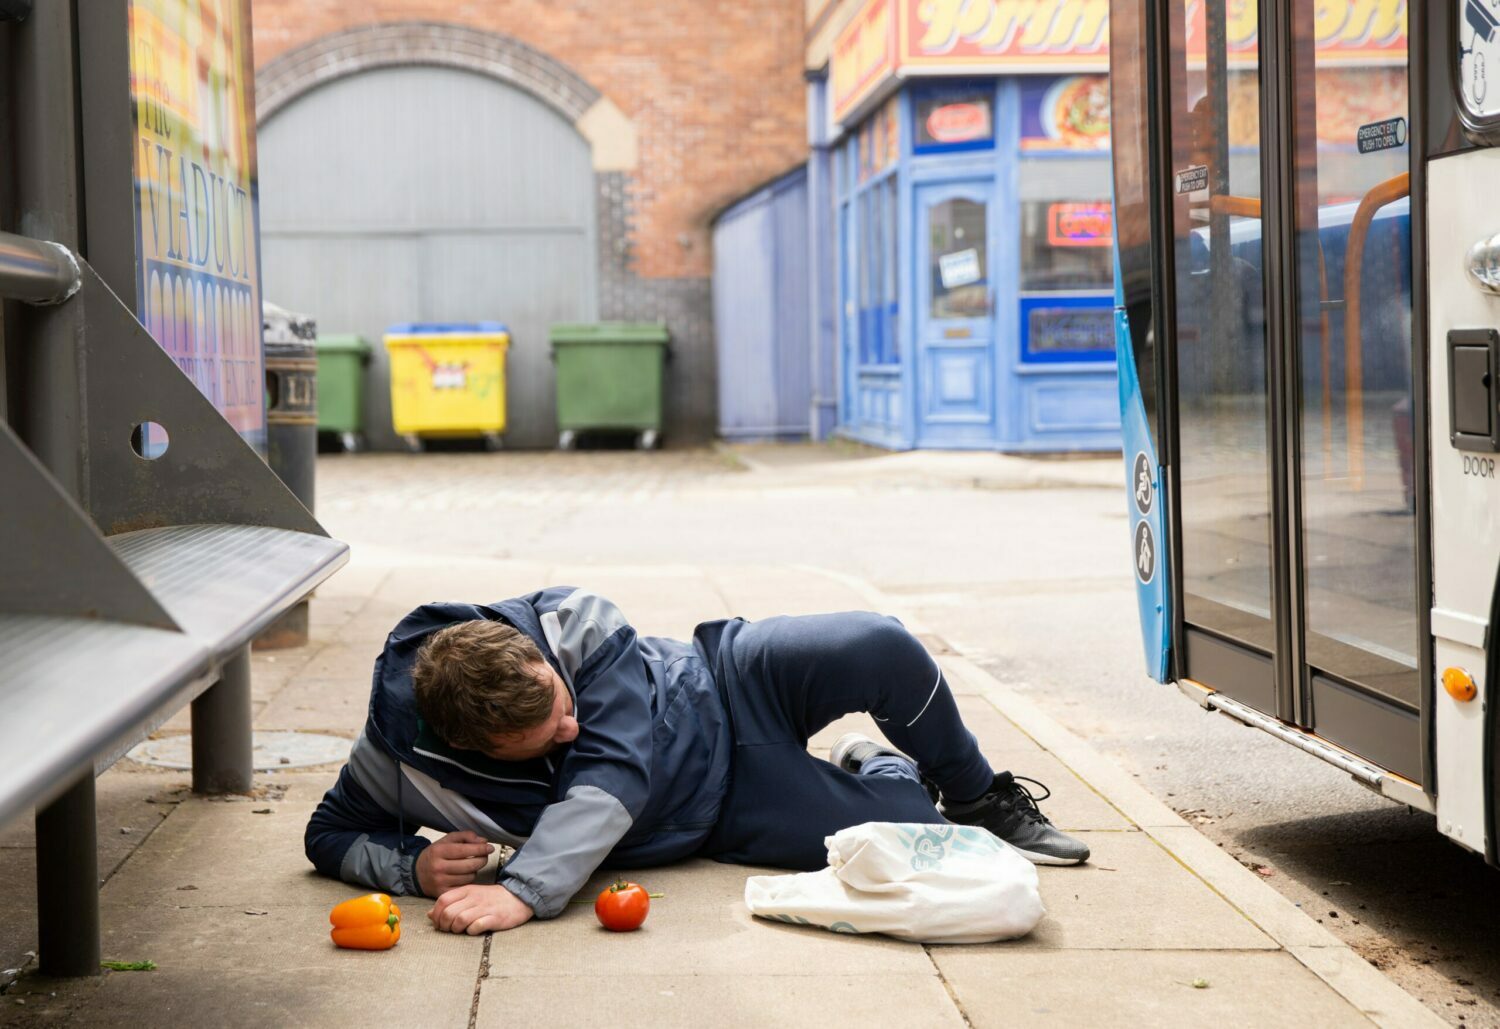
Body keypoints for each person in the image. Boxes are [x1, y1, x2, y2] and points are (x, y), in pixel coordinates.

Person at [304, 587, 1088, 935]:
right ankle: (874, 764)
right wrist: (412, 869)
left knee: (877, 642)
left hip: (728, 676)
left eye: (562, 698)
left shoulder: (566, 619)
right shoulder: (394, 761)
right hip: (726, 809)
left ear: (535, 654)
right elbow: (328, 832)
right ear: (472, 746)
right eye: (547, 736)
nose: (572, 725)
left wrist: (524, 890)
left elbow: (610, 774)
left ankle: (981, 794)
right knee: (917, 828)